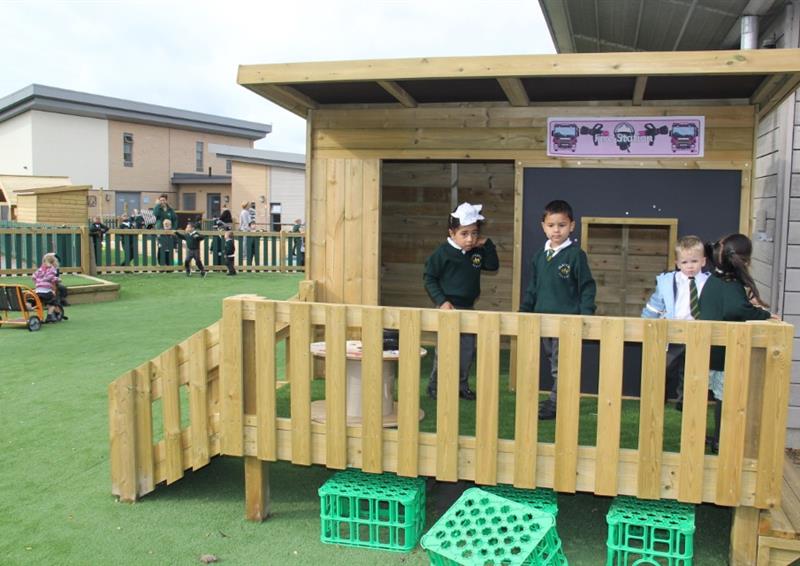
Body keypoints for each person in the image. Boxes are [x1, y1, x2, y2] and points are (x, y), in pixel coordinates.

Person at [519, 199, 596, 420]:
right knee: (551, 360)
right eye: (551, 225)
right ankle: (558, 396)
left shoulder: (575, 255)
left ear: (571, 226)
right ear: (543, 226)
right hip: (542, 321)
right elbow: (532, 288)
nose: (556, 230)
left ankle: (557, 404)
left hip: (567, 322)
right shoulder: (539, 257)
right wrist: (524, 311)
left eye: (562, 225)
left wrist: (586, 315)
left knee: (561, 366)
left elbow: (587, 286)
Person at [699, 234, 776, 452]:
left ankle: (710, 437)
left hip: (707, 349)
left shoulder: (713, 280)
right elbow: (736, 309)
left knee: (709, 395)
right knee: (724, 399)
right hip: (722, 354)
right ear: (744, 261)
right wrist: (764, 314)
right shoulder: (730, 284)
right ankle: (720, 439)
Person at [423, 202, 499, 401]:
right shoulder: (442, 253)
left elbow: (492, 265)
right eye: (464, 234)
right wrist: (442, 301)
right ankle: (435, 386)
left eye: (474, 233)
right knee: (446, 350)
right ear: (451, 233)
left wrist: (487, 244)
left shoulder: (476, 252)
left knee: (467, 351)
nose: (470, 238)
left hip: (469, 309)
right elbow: (429, 277)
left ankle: (461, 386)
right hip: (448, 308)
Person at [641, 235, 709, 410]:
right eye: (685, 262)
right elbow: (656, 304)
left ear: (703, 261)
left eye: (694, 261)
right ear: (678, 263)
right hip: (672, 331)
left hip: (697, 332)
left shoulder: (709, 282)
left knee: (691, 370)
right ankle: (657, 398)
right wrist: (646, 321)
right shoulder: (667, 281)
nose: (690, 266)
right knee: (665, 367)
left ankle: (684, 402)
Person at [32, 253, 64, 322]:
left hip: (38, 290)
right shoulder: (52, 269)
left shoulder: (40, 269)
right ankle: (49, 316)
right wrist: (58, 279)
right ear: (53, 262)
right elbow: (51, 278)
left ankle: (40, 317)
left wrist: (37, 284)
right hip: (46, 291)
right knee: (54, 302)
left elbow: (33, 277)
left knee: (41, 302)